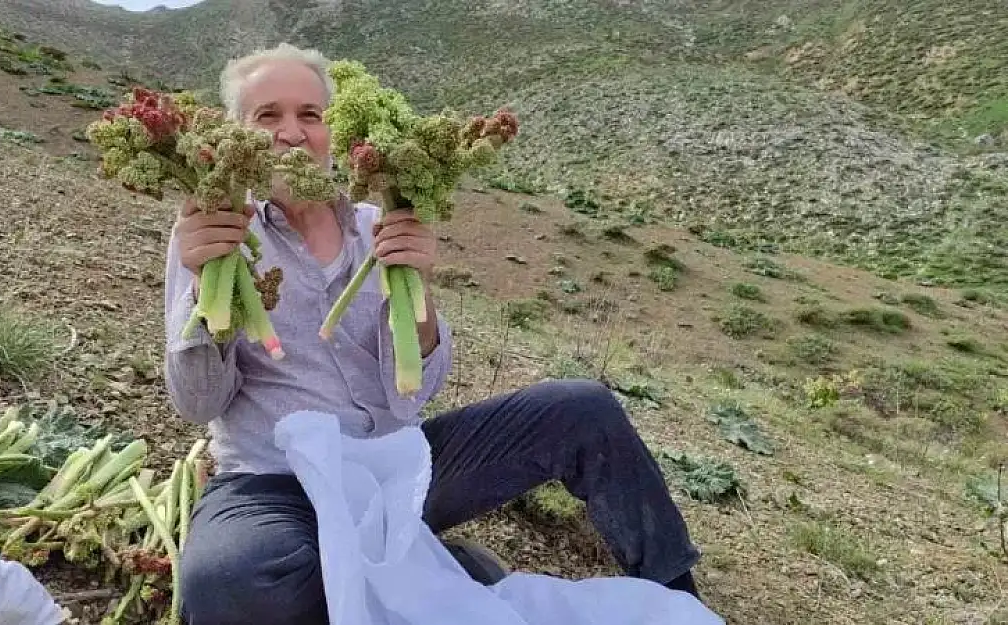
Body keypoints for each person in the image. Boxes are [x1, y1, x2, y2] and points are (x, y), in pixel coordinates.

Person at [164, 43, 704, 625]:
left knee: (583, 409)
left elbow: (414, 392)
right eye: (267, 115)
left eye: (310, 115)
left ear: (332, 129)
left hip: (400, 472)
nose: (292, 133)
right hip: (274, 486)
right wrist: (205, 299)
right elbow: (198, 403)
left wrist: (420, 294)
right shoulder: (212, 237)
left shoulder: (383, 227)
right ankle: (437, 571)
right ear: (236, 135)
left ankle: (679, 598)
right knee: (226, 583)